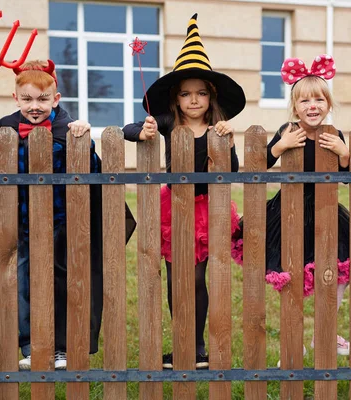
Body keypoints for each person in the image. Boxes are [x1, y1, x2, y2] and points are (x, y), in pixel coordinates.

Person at [0, 59, 136, 370]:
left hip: (64, 224)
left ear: (56, 98)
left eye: (42, 99)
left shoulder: (69, 130)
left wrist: (84, 139)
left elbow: (93, 170)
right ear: (16, 99)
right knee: (21, 281)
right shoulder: (6, 131)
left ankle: (64, 347)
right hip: (22, 226)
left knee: (66, 282)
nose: (35, 107)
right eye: (27, 99)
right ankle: (30, 345)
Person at [232, 55, 351, 359]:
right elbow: (259, 165)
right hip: (287, 213)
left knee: (340, 273)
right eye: (304, 101)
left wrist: (344, 154)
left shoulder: (334, 136)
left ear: (328, 104)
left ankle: (322, 333)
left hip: (326, 212)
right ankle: (293, 338)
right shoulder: (288, 131)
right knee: (292, 276)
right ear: (294, 106)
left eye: (318, 99)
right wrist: (280, 145)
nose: (312, 106)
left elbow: (348, 179)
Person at [123, 14, 245, 370]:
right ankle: (180, 343)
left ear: (212, 97)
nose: (194, 100)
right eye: (186, 94)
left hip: (209, 209)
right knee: (177, 278)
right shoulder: (166, 124)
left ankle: (197, 346)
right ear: (176, 98)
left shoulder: (218, 128)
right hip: (173, 208)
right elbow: (127, 128)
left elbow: (233, 171)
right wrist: (141, 130)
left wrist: (229, 145)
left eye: (201, 93)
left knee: (197, 278)